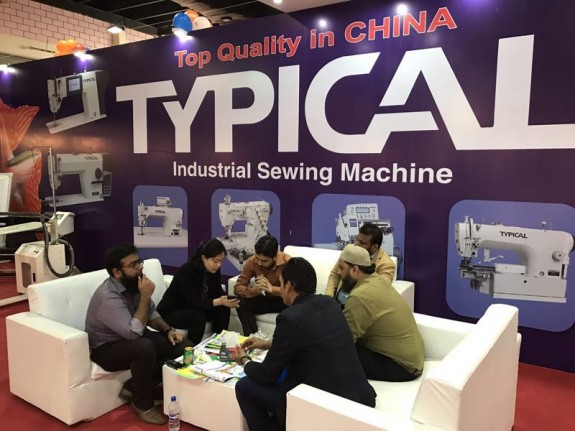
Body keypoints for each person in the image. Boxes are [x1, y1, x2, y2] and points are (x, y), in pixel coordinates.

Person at [232, 257, 376, 431]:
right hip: (361, 397)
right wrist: (268, 344)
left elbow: (266, 375)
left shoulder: (290, 318)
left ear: (288, 285)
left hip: (326, 407)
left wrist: (244, 360)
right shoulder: (330, 303)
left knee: (244, 387)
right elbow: (311, 339)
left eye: (281, 283)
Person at [85, 243, 193, 425]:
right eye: (134, 265)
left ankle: (132, 387)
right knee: (144, 347)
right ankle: (142, 404)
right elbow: (134, 333)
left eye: (139, 262)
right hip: (105, 348)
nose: (140, 268)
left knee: (183, 346)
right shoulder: (108, 296)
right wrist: (145, 296)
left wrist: (168, 330)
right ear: (117, 272)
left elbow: (151, 314)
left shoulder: (134, 284)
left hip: (130, 337)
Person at [337, 244, 424, 382]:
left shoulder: (359, 297)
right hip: (414, 360)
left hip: (401, 367)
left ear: (355, 270)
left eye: (341, 268)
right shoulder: (376, 280)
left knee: (333, 353)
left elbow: (344, 341)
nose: (338, 273)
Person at [157, 239, 239, 345]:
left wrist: (228, 300)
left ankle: (217, 343)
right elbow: (193, 302)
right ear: (204, 258)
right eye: (216, 261)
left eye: (221, 261)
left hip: (193, 307)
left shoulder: (214, 270)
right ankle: (191, 349)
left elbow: (217, 292)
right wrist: (218, 301)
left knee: (223, 308)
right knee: (198, 316)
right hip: (172, 311)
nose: (219, 265)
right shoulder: (186, 271)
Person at [234, 235, 290, 335]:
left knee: (299, 305)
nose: (259, 263)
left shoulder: (288, 263)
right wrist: (254, 291)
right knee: (241, 302)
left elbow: (295, 292)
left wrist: (271, 289)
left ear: (274, 257)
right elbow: (238, 288)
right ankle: (252, 338)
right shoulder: (252, 261)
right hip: (265, 299)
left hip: (284, 301)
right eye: (257, 258)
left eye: (264, 261)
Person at [326, 222, 396, 303]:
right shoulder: (350, 250)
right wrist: (328, 300)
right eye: (356, 239)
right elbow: (335, 275)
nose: (356, 244)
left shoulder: (386, 264)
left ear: (374, 247)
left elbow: (379, 290)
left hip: (360, 303)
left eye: (362, 243)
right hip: (338, 300)